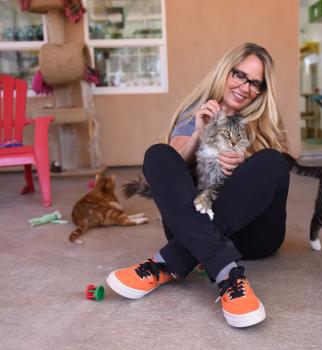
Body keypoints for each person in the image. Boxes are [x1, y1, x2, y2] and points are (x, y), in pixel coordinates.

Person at [106, 43, 290, 328]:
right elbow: (172, 161)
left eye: (255, 83)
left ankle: (166, 263)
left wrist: (244, 159)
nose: (245, 87)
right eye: (240, 75)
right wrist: (200, 134)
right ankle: (228, 273)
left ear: (262, 91)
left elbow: (268, 176)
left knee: (272, 161)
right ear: (225, 71)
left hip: (253, 236)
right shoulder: (198, 111)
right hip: (197, 224)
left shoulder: (262, 121)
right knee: (158, 153)